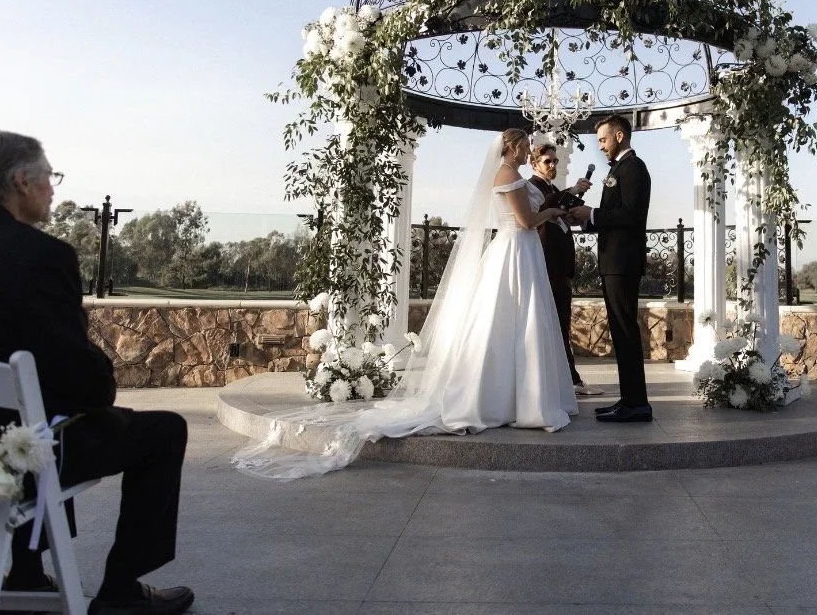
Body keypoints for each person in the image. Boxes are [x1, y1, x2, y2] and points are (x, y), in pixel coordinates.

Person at [234, 129, 578, 479]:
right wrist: (550, 212)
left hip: (522, 253)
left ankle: (521, 395)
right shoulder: (506, 175)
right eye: (524, 148)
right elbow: (524, 221)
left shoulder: (514, 175)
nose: (527, 153)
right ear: (512, 147)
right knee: (512, 322)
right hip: (515, 252)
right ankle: (507, 399)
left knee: (522, 323)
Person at [0, 131, 194, 615]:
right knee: (156, 429)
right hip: (1, 464)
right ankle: (121, 590)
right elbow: (80, 378)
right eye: (48, 178)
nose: (52, 189)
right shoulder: (40, 255)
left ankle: (30, 575)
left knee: (46, 412)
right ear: (20, 180)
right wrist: (101, 374)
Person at [568, 114, 652, 423]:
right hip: (614, 261)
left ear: (619, 136)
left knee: (625, 330)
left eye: (603, 139)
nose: (600, 146)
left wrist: (593, 213)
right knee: (620, 330)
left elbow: (630, 215)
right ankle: (629, 399)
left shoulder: (633, 168)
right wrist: (587, 219)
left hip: (622, 262)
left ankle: (637, 404)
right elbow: (614, 215)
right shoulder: (620, 168)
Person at [528, 142, 602, 397]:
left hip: (560, 266)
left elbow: (556, 208)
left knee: (562, 322)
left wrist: (571, 214)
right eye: (547, 161)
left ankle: (568, 379)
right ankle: (569, 379)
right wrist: (570, 191)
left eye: (555, 161)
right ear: (534, 163)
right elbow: (540, 207)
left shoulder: (553, 188)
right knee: (553, 323)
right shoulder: (532, 187)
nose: (553, 165)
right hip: (546, 264)